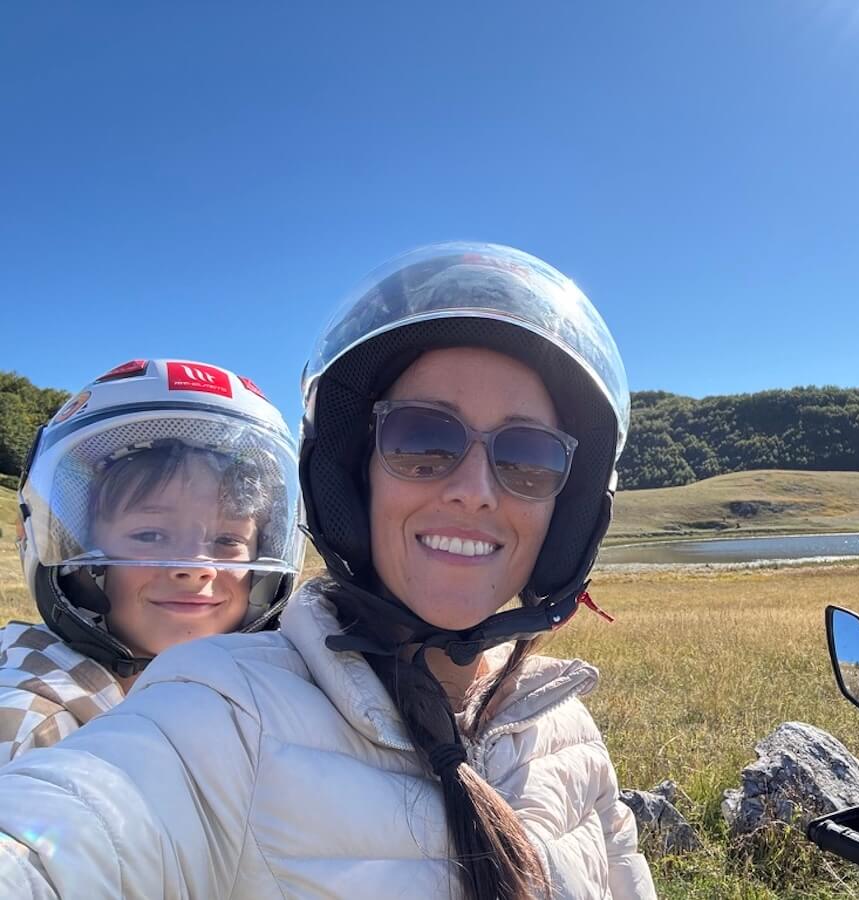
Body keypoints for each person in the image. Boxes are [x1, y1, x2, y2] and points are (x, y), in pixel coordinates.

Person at [0, 243, 655, 899]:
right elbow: (65, 835)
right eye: (423, 441)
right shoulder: (222, 713)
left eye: (528, 457)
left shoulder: (566, 729)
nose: (475, 490)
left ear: (567, 510)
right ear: (352, 477)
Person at [0, 358, 304, 761]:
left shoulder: (268, 691)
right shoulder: (35, 722)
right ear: (77, 564)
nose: (197, 567)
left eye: (227, 540)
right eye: (150, 535)